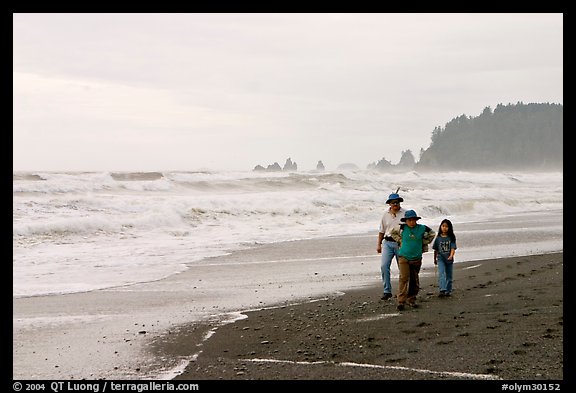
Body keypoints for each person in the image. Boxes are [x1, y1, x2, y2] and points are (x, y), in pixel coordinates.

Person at [390, 210, 435, 311]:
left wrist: (424, 242)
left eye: (413, 220)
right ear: (406, 220)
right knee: (404, 278)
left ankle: (411, 299)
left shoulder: (422, 228)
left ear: (416, 220)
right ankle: (401, 301)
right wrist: (400, 240)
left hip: (416, 258)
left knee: (414, 279)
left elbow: (432, 234)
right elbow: (392, 232)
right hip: (403, 257)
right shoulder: (401, 228)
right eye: (409, 220)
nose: (411, 222)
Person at [376, 192, 406, 300]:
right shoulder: (385, 215)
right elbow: (381, 231)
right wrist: (378, 244)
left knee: (402, 268)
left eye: (397, 202)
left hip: (401, 244)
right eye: (393, 202)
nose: (395, 204)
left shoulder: (405, 213)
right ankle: (387, 291)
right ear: (389, 204)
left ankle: (403, 291)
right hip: (387, 243)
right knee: (384, 266)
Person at [433, 219, 457, 297]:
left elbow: (453, 248)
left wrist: (451, 255)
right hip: (440, 258)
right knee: (441, 273)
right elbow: (436, 249)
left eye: (447, 226)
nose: (444, 228)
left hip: (449, 259)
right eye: (443, 226)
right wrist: (434, 259)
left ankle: (448, 290)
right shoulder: (438, 238)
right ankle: (442, 289)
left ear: (449, 228)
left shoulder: (451, 237)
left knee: (449, 276)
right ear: (440, 227)